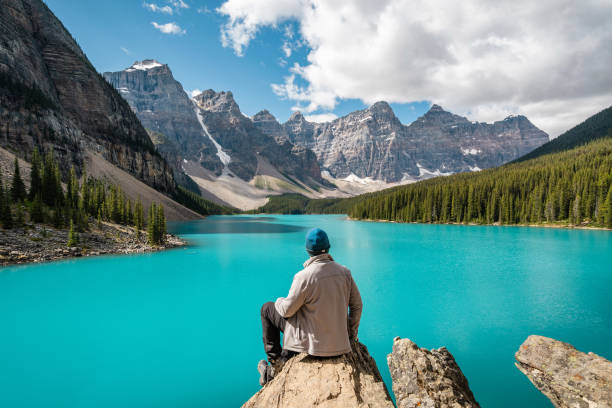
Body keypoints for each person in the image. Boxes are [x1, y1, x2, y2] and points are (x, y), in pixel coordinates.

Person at [257, 227, 363, 386]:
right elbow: (357, 306)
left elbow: (286, 311)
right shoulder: (345, 272)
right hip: (340, 344)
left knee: (267, 308)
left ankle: (276, 363)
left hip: (313, 348)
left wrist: (279, 300)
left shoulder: (304, 276)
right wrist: (350, 335)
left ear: (308, 250)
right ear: (328, 248)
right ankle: (283, 358)